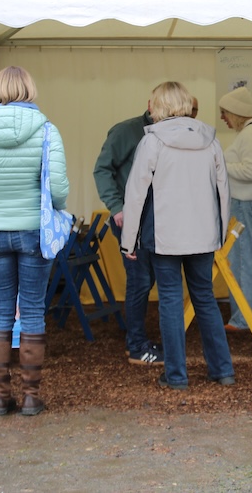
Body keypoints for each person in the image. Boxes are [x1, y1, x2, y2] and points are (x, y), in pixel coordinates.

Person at [0, 65, 69, 416]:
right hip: (34, 231)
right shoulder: (47, 129)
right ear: (30, 89)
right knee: (32, 309)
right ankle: (31, 396)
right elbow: (59, 189)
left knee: (2, 308)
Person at [120, 81, 235, 390]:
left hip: (165, 235)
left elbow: (135, 193)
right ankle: (223, 370)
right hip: (204, 234)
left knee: (170, 301)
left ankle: (176, 376)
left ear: (159, 106)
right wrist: (220, 233)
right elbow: (224, 190)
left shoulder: (152, 141)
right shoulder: (210, 139)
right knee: (205, 298)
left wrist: (128, 240)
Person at [93, 105, 165, 366]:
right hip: (131, 219)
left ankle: (137, 341)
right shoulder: (127, 131)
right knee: (140, 280)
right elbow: (102, 169)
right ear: (152, 104)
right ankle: (136, 346)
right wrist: (116, 207)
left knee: (147, 279)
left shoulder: (166, 132)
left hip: (155, 219)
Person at [218, 86, 252, 332]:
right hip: (247, 204)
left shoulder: (249, 135)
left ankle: (246, 318)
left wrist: (218, 165)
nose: (222, 118)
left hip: (246, 204)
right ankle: (248, 315)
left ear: (235, 112)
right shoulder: (251, 132)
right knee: (242, 260)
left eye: (224, 112)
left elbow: (250, 172)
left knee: (243, 262)